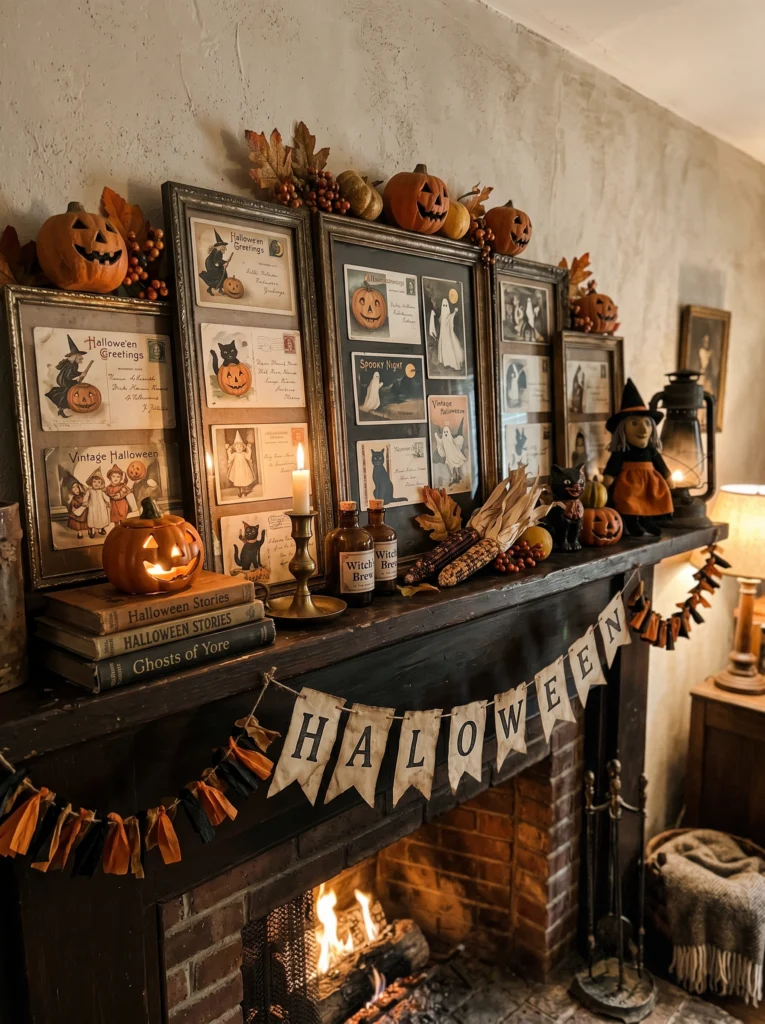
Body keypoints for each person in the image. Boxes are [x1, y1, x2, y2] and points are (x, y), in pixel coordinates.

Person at [603, 380, 673, 538]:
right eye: (634, 423)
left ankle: (647, 521)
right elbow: (614, 464)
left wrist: (667, 476)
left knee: (649, 500)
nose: (643, 429)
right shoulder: (622, 450)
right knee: (630, 501)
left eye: (647, 423)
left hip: (650, 482)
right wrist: (609, 476)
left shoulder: (651, 449)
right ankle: (632, 523)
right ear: (622, 429)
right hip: (629, 483)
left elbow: (659, 463)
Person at [45, 335, 87, 418]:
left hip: (64, 380)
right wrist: (80, 375)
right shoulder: (72, 364)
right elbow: (69, 376)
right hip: (66, 381)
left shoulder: (73, 364)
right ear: (75, 356)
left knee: (67, 392)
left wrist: (81, 373)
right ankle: (62, 407)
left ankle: (61, 409)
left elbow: (73, 372)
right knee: (69, 392)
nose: (81, 357)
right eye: (79, 355)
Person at [199, 229, 230, 295]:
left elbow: (219, 260)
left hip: (213, 264)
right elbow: (217, 261)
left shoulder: (219, 252)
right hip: (211, 265)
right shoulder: (217, 252)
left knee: (222, 273)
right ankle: (210, 289)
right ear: (220, 247)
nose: (224, 248)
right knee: (218, 275)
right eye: (223, 246)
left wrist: (224, 262)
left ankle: (220, 289)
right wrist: (224, 263)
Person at [226, 431, 256, 498]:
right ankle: (239, 491)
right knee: (238, 479)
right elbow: (230, 458)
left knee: (244, 479)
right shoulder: (234, 454)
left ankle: (244, 491)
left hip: (244, 468)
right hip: (237, 469)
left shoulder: (244, 453)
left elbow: (248, 457)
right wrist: (228, 452)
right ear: (235, 448)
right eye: (237, 446)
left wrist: (249, 450)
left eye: (240, 446)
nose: (239, 448)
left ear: (243, 447)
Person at [84, 468, 110, 539]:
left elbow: (106, 497)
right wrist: (85, 502)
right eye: (94, 482)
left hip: (102, 507)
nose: (96, 484)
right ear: (91, 482)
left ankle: (101, 529)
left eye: (98, 482)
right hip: (92, 507)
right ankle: (92, 530)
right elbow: (86, 497)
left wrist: (108, 502)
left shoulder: (101, 491)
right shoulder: (90, 490)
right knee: (92, 518)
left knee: (101, 518)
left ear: (101, 483)